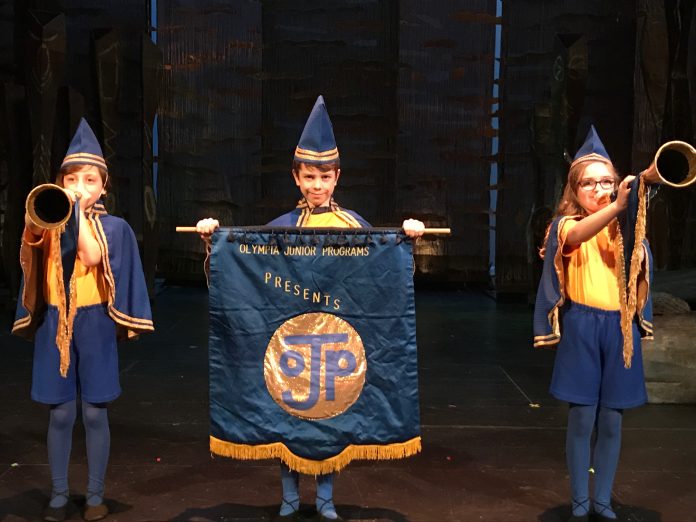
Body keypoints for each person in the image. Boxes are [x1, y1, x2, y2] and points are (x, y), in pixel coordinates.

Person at [197, 95, 424, 522]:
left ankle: (325, 498)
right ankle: (287, 496)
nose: (316, 185)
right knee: (286, 413)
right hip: (290, 339)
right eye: (309, 177)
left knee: (333, 416)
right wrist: (213, 240)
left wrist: (407, 239)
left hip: (338, 339)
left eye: (324, 176)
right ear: (296, 178)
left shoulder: (355, 228)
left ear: (337, 177)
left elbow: (385, 279)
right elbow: (244, 268)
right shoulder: (279, 230)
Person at [13, 118, 154, 522]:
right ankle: (59, 494)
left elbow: (92, 256)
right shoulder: (48, 224)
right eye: (71, 178)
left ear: (103, 186)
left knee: (94, 411)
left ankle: (94, 495)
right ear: (58, 181)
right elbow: (30, 245)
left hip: (94, 325)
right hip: (55, 323)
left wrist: (77, 212)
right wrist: (47, 216)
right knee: (61, 412)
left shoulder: (114, 227)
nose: (79, 186)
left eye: (89, 180)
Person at [533, 126, 653, 522]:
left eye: (607, 181)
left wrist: (631, 207)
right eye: (589, 182)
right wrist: (616, 206)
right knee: (583, 416)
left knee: (612, 419)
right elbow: (581, 232)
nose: (598, 188)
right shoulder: (565, 226)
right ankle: (580, 500)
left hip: (620, 329)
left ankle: (602, 498)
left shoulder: (627, 230)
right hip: (583, 327)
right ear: (574, 189)